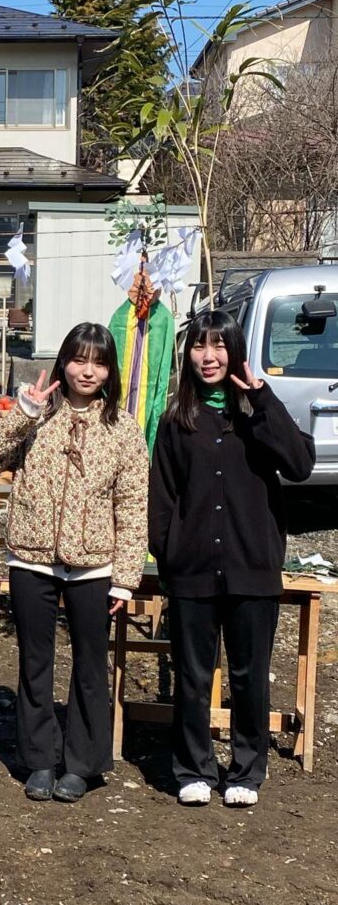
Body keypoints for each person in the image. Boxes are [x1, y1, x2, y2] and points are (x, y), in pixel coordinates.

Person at [0, 323, 148, 803]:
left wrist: (126, 578)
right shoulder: (36, 415)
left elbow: (133, 505)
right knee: (35, 663)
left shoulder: (122, 428)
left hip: (95, 566)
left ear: (109, 370)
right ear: (63, 362)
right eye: (79, 359)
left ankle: (83, 763)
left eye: (99, 362)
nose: (87, 371)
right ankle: (40, 760)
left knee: (91, 665)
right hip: (33, 561)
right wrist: (22, 414)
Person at [149, 310, 315, 808]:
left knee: (248, 675)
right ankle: (193, 769)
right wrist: (170, 551)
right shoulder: (177, 421)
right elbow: (162, 497)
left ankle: (246, 769)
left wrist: (262, 397)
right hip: (192, 570)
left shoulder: (258, 415)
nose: (209, 356)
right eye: (200, 346)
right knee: (194, 675)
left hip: (251, 568)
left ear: (235, 351)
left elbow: (301, 465)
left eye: (219, 345)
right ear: (188, 354)